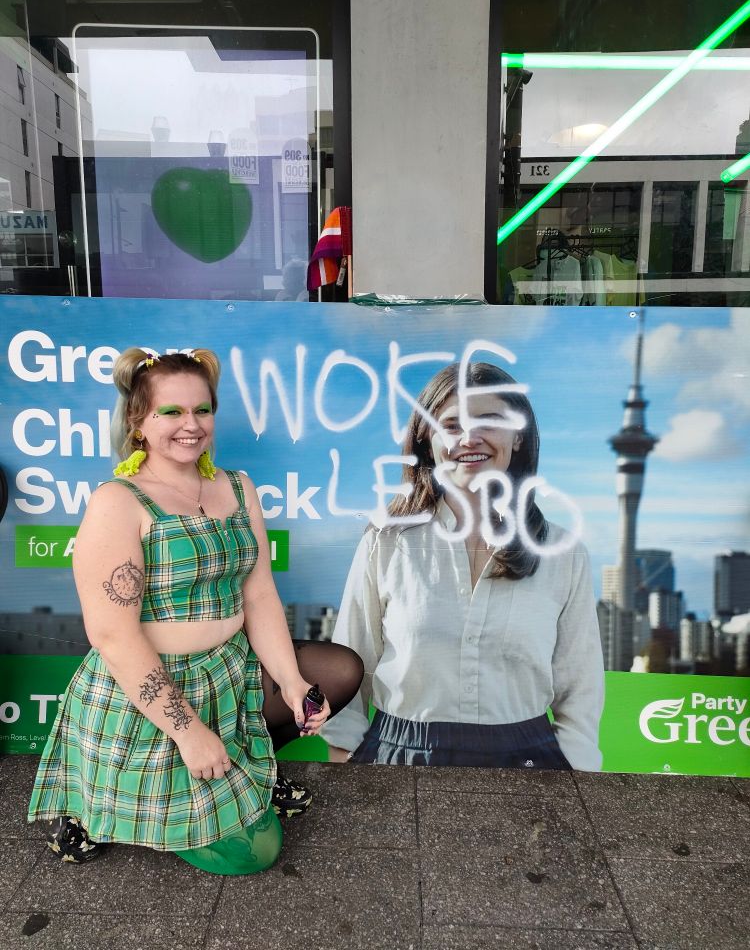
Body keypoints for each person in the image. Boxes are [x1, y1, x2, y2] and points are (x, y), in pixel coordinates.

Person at [28, 347, 363, 873]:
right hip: (149, 691)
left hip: (227, 673)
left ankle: (250, 772)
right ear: (139, 422)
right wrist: (187, 731)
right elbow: (113, 637)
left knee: (337, 670)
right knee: (253, 855)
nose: (191, 425)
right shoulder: (118, 501)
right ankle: (92, 809)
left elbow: (258, 596)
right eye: (171, 412)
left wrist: (292, 682)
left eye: (202, 410)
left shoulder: (237, 486)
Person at [321, 361, 604, 771]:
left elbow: (580, 691)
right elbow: (348, 667)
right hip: (398, 759)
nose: (470, 438)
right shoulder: (386, 542)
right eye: (451, 425)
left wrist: (573, 781)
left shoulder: (563, 551)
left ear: (519, 435)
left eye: (489, 420)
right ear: (427, 441)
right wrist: (345, 761)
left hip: (530, 765)